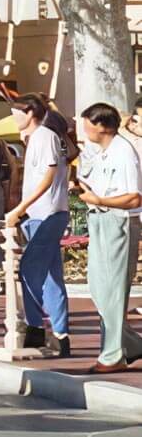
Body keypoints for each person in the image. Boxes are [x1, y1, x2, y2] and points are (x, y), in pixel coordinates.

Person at [74, 103, 142, 374]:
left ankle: (113, 354)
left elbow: (134, 196)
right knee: (99, 287)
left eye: (88, 123)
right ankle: (132, 344)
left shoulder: (124, 152)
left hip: (118, 221)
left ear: (102, 125)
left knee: (112, 291)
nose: (85, 128)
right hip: (100, 218)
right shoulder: (102, 152)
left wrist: (100, 199)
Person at [5, 94, 71, 356]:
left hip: (47, 213)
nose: (13, 117)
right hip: (40, 213)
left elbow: (48, 174)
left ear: (30, 112)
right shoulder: (39, 138)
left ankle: (35, 330)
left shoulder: (44, 136)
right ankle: (60, 335)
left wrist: (19, 208)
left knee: (29, 271)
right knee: (52, 276)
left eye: (16, 112)